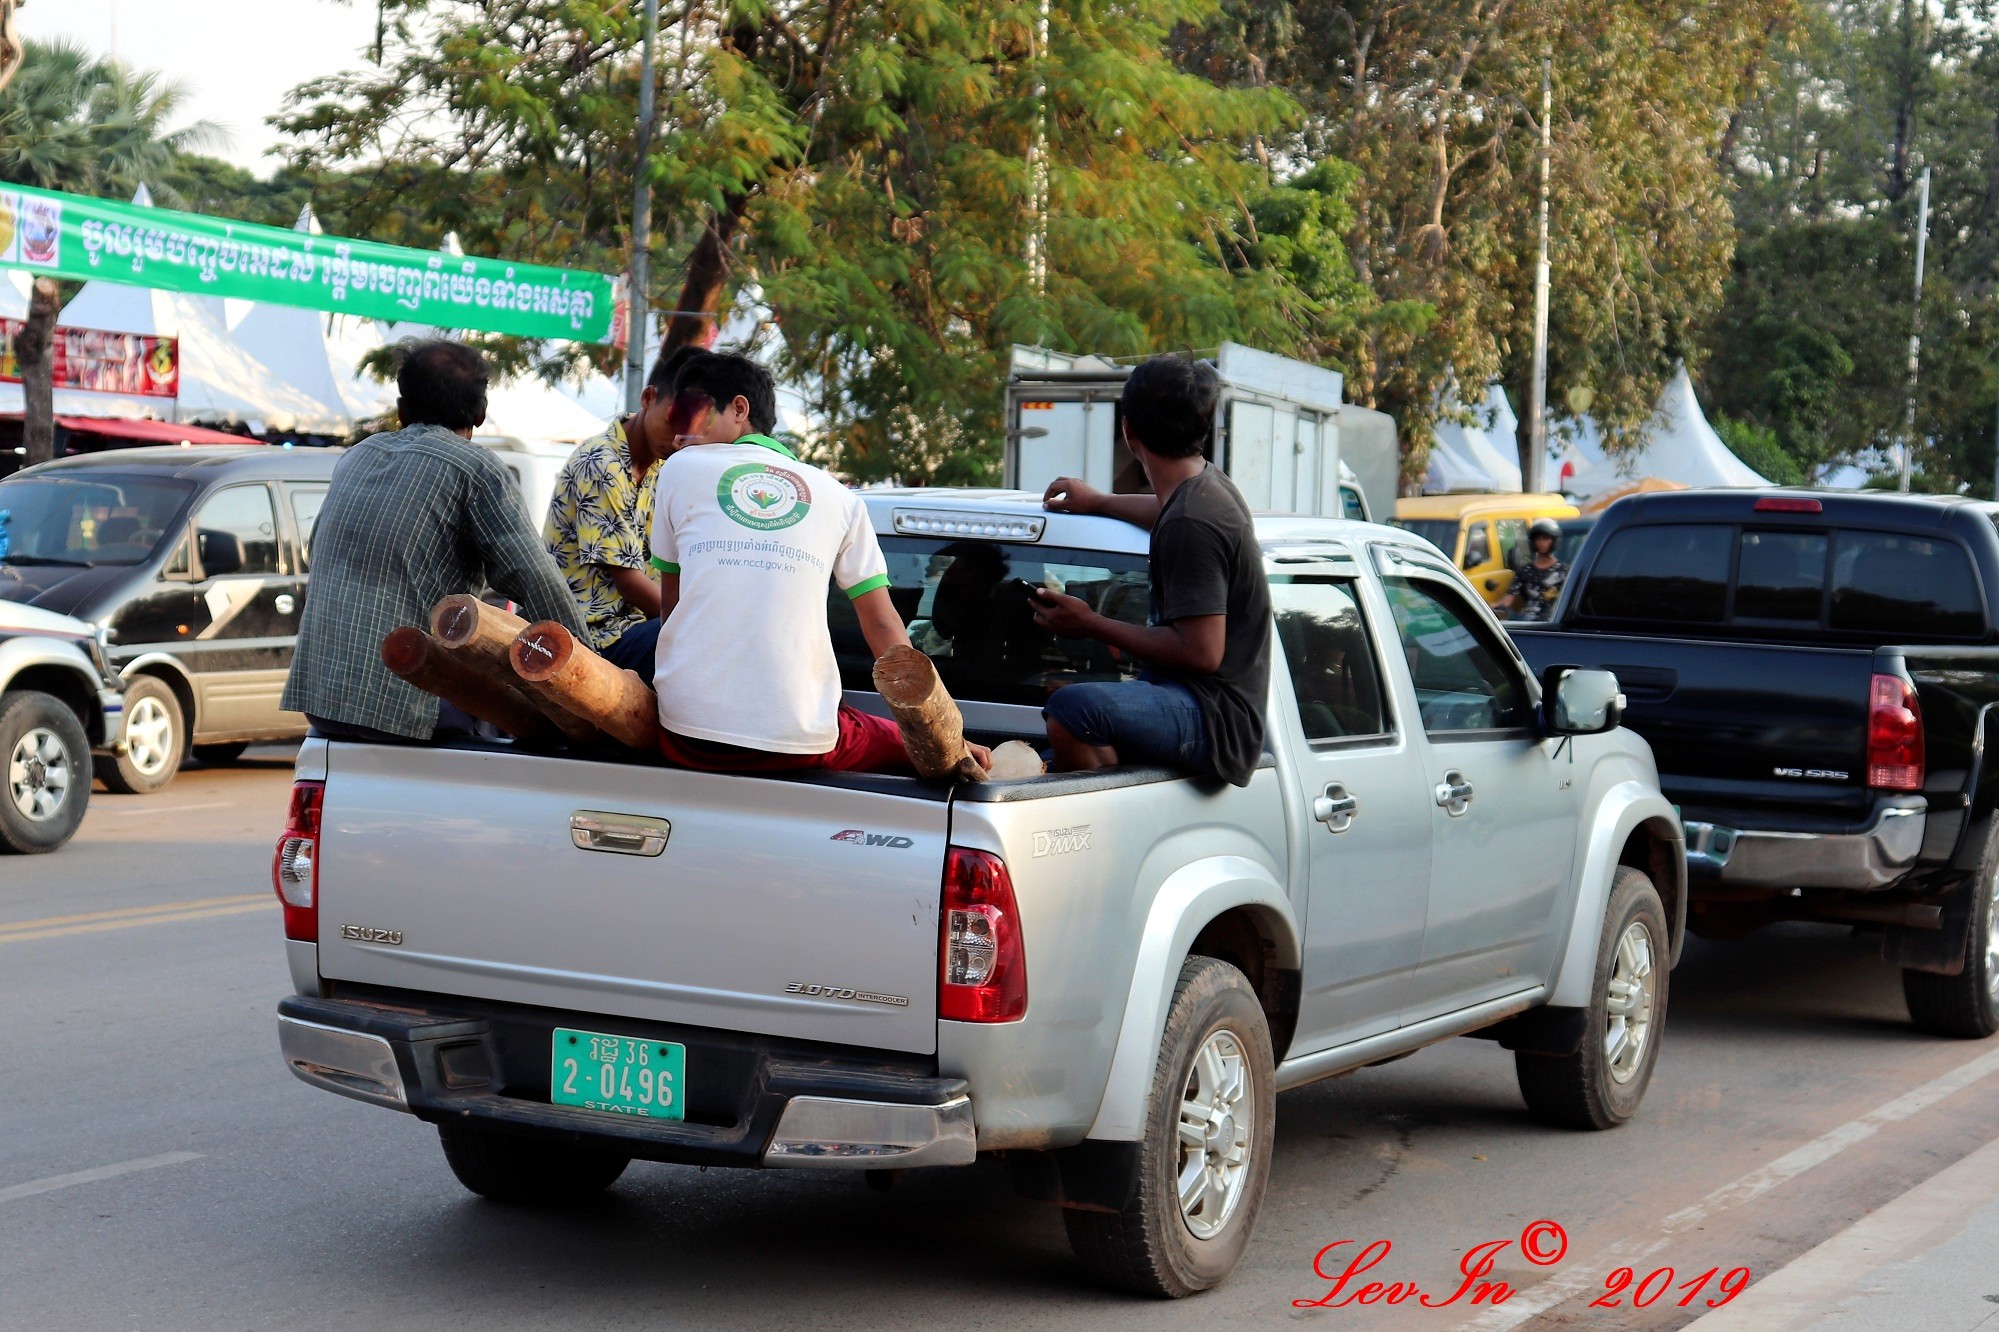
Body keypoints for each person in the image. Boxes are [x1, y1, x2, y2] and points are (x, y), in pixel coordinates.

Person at [646, 351, 989, 774]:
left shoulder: (678, 470)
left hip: (684, 734)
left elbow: (673, 610)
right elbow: (883, 627)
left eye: (692, 412)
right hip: (798, 743)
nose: (680, 431)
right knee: (890, 740)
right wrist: (945, 738)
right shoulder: (841, 498)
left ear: (739, 409)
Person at [281, 339, 587, 742]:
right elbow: (535, 579)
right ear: (480, 414)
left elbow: (316, 548)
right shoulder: (476, 469)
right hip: (401, 705)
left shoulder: (357, 456)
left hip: (322, 699)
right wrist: (590, 667)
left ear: (402, 409)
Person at [1031, 355, 1273, 787]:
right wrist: (1100, 502)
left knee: (1072, 708)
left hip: (1214, 719)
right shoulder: (1206, 487)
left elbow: (1203, 653)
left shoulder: (1192, 520)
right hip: (1191, 700)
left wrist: (1090, 623)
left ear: (1128, 430)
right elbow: (1164, 509)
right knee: (1044, 751)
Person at [543, 344, 698, 672]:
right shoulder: (602, 461)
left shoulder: (664, 468)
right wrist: (698, 624)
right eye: (674, 421)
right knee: (698, 638)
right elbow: (629, 581)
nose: (677, 438)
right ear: (648, 398)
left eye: (689, 430)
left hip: (635, 629)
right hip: (589, 638)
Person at [1499, 517, 1567, 622]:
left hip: (1554, 623)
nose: (1541, 543)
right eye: (1538, 539)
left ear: (1553, 541)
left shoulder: (1564, 571)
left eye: (1545, 538)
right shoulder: (1525, 571)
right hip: (1529, 624)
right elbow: (1508, 599)